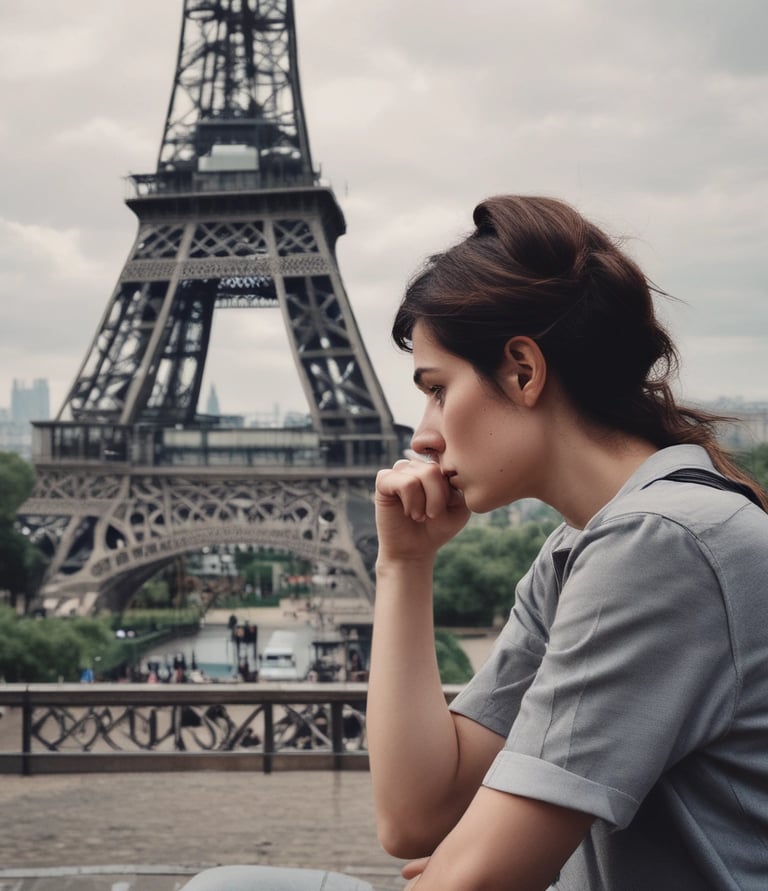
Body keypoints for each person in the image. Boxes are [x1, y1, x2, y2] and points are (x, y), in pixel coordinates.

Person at [367, 195, 768, 890]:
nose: (422, 436)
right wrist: (405, 564)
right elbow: (418, 815)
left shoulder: (660, 543)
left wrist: (469, 864)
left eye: (437, 390)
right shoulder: (579, 550)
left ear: (523, 370)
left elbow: (471, 877)